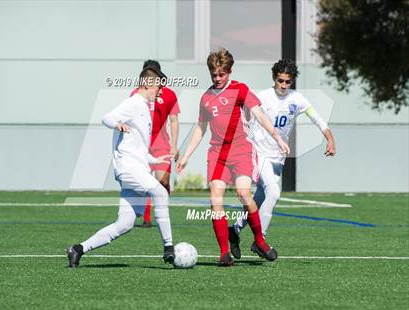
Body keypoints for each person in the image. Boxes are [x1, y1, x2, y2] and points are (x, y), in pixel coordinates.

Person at [176, 48, 290, 266]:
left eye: (222, 74)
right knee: (215, 201)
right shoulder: (206, 97)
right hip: (217, 154)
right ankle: (224, 253)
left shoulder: (240, 89)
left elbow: (259, 115)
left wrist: (277, 138)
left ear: (229, 72)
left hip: (241, 151)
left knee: (243, 194)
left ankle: (259, 241)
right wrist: (186, 155)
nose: (218, 79)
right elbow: (200, 128)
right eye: (214, 75)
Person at [66, 66, 175, 267]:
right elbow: (107, 117)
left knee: (124, 224)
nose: (161, 92)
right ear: (148, 84)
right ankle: (169, 248)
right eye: (159, 87)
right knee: (161, 193)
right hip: (128, 169)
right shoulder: (133, 103)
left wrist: (155, 160)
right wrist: (117, 124)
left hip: (136, 168)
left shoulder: (144, 107)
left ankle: (77, 249)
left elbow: (138, 147)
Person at [229, 59, 336, 259]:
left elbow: (317, 118)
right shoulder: (262, 97)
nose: (283, 85)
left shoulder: (297, 99)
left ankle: (234, 230)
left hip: (277, 157)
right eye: (280, 81)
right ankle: (260, 240)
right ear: (274, 78)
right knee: (274, 193)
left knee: (260, 199)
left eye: (288, 82)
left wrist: (330, 139)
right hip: (258, 153)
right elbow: (243, 117)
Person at [131, 60, 180, 228]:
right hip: (142, 145)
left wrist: (174, 145)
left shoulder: (169, 94)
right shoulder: (136, 94)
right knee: (143, 182)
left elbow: (174, 120)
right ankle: (147, 217)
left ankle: (162, 210)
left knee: (163, 182)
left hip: (161, 145)